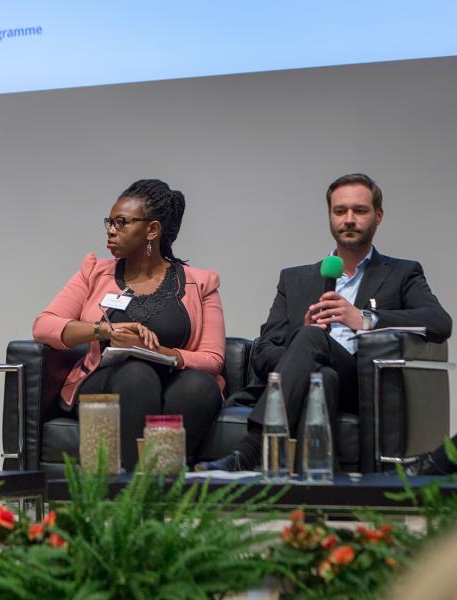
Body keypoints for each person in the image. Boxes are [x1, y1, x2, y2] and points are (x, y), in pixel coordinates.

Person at [199, 173, 452, 472]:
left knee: (311, 340)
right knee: (320, 368)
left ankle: (251, 449)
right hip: (314, 378)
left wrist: (364, 319)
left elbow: (439, 322)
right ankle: (318, 487)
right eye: (339, 211)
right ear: (329, 216)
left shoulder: (402, 273)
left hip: (363, 385)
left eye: (359, 211)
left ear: (378, 215)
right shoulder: (295, 279)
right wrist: (301, 337)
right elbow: (265, 353)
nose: (348, 219)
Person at [33, 179, 225, 470]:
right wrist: (105, 331)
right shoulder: (93, 273)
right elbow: (43, 326)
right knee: (137, 374)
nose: (111, 230)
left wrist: (157, 350)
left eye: (121, 223)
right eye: (109, 222)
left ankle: (159, 482)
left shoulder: (201, 283)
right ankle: (138, 492)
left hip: (175, 378)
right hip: (108, 379)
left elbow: (213, 359)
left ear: (152, 230)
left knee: (200, 385)